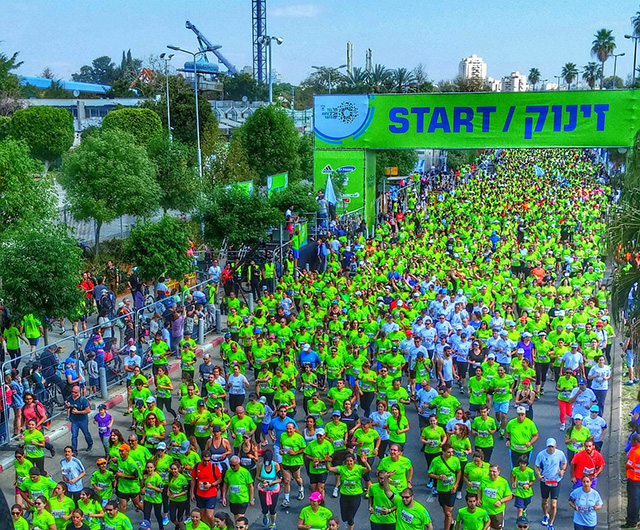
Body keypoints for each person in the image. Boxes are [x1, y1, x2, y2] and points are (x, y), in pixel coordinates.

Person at [326, 452, 371, 530]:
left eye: (351, 461)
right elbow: (330, 469)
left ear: (354, 461)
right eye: (347, 461)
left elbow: (368, 469)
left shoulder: (358, 468)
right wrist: (327, 462)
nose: (349, 462)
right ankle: (348, 523)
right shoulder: (342, 468)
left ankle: (350, 527)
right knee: (344, 517)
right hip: (344, 496)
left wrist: (365, 462)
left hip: (355, 496)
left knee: (350, 517)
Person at [534, 438, 567, 530]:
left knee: (553, 504)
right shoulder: (541, 454)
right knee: (545, 501)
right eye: (549, 447)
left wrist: (562, 470)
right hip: (545, 481)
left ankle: (551, 523)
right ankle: (545, 515)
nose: (551, 448)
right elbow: (536, 466)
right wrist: (538, 475)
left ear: (555, 446)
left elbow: (564, 463)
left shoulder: (560, 454)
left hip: (556, 480)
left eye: (552, 446)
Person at [427, 442, 461, 530]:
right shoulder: (436, 461)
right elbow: (429, 474)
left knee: (448, 513)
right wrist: (438, 477)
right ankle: (452, 522)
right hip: (441, 489)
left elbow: (459, 472)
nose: (451, 454)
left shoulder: (455, 460)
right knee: (445, 509)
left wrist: (456, 485)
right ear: (443, 452)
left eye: (452, 452)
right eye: (448, 452)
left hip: (451, 489)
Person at [191, 450, 222, 526]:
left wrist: (211, 485)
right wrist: (192, 492)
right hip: (200, 494)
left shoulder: (214, 467)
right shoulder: (197, 466)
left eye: (208, 460)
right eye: (205, 461)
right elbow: (193, 479)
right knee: (202, 515)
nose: (207, 462)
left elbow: (219, 479)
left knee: (209, 515)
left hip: (211, 494)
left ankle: (213, 527)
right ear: (201, 459)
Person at [478, 464, 513, 530]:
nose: (491, 473)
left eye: (494, 471)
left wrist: (500, 501)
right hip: (484, 510)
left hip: (496, 512)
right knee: (484, 528)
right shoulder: (484, 479)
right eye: (490, 471)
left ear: (498, 472)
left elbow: (510, 496)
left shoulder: (503, 482)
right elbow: (479, 489)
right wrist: (479, 498)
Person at [221, 455, 255, 521]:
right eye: (231, 465)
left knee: (240, 517)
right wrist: (224, 497)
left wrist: (251, 499)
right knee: (236, 516)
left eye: (234, 465)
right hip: (233, 499)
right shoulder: (228, 471)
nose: (232, 467)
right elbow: (225, 484)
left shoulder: (245, 472)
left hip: (243, 499)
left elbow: (250, 486)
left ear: (239, 464)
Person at [256, 449, 281, 529]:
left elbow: (280, 478)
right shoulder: (260, 465)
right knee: (264, 507)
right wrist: (263, 480)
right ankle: (265, 515)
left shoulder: (276, 465)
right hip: (263, 489)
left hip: (273, 489)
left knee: (272, 509)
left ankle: (273, 524)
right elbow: (257, 477)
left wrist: (272, 482)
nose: (266, 465)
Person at [65, 385, 93, 454]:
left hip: (82, 420)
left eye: (74, 392)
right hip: (74, 420)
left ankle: (90, 443)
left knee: (86, 433)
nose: (72, 393)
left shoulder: (82, 400)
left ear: (78, 392)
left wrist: (78, 412)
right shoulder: (70, 398)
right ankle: (74, 450)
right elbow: (67, 407)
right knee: (74, 435)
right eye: (72, 392)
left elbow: (88, 410)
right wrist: (67, 406)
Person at [625, 433, 640, 529]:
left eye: (631, 441)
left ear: (635, 441)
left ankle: (632, 521)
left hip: (634, 480)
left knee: (633, 502)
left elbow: (629, 465)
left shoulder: (635, 452)